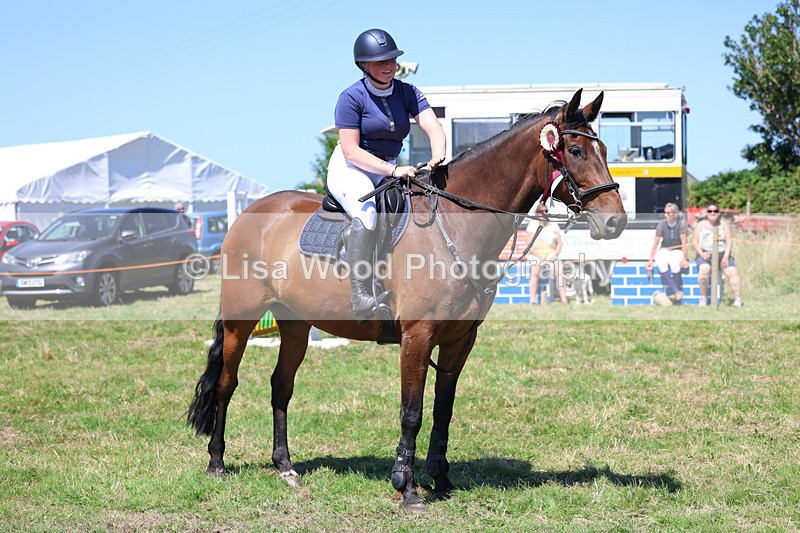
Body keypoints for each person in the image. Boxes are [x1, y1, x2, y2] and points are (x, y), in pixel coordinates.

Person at [327, 28, 446, 321]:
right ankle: (361, 295)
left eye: (391, 58)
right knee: (367, 214)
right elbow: (352, 151)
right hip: (351, 168)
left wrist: (438, 154)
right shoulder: (351, 97)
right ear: (363, 65)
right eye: (380, 61)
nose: (388, 64)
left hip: (387, 168)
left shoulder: (407, 92)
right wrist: (393, 169)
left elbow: (432, 127)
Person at [693, 202, 743, 307]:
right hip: (705, 254)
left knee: (732, 272)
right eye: (710, 211)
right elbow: (695, 242)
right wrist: (702, 254)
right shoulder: (700, 225)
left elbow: (729, 241)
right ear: (707, 213)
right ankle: (703, 298)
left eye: (715, 211)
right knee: (704, 270)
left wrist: (725, 257)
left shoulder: (724, 224)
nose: (712, 213)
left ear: (718, 212)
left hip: (722, 254)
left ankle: (738, 300)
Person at [645, 202, 689, 304]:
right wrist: (650, 260)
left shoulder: (681, 223)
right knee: (661, 262)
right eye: (666, 213)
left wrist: (684, 259)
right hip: (665, 248)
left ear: (676, 213)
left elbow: (684, 243)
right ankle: (676, 291)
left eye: (670, 213)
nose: (667, 215)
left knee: (675, 263)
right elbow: (656, 243)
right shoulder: (662, 224)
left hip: (677, 249)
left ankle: (676, 292)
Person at [527, 203, 568, 305]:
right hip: (536, 255)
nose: (544, 213)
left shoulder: (553, 225)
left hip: (551, 254)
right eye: (541, 211)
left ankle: (564, 300)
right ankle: (532, 300)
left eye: (546, 211)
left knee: (559, 272)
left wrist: (556, 254)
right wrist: (542, 259)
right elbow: (529, 245)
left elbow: (559, 242)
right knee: (535, 272)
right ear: (537, 213)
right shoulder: (532, 225)